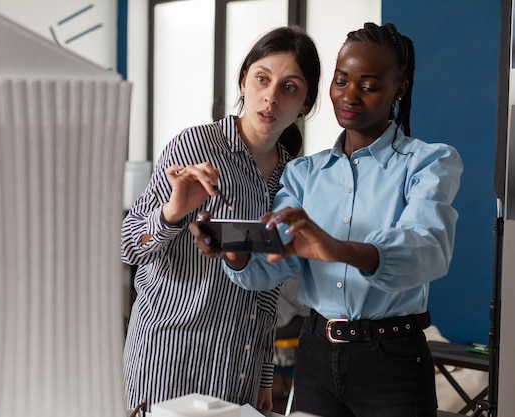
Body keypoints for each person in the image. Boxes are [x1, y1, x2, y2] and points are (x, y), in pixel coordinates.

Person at [193, 22, 464, 417]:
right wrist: (232, 253)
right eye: (341, 80)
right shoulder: (304, 174)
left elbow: (426, 250)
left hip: (392, 361)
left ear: (398, 90)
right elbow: (276, 264)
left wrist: (335, 248)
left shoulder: (429, 162)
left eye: (368, 85)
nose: (349, 95)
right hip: (316, 355)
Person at [121, 26, 321, 411]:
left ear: (306, 103)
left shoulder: (291, 176)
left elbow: (269, 286)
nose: (271, 97)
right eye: (262, 79)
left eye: (289, 87)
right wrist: (172, 212)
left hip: (237, 364)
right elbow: (127, 246)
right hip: (168, 355)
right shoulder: (196, 146)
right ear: (244, 80)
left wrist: (264, 373)